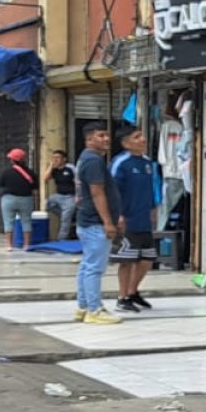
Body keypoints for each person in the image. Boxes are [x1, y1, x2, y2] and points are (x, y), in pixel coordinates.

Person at [72, 125, 123, 325]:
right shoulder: (93, 161)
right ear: (89, 139)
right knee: (94, 267)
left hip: (87, 220)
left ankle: (83, 306)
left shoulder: (86, 158)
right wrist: (108, 222)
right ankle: (94, 309)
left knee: (87, 265)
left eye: (107, 135)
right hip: (95, 222)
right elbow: (97, 192)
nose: (106, 139)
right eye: (101, 136)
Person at [110, 127, 160, 312]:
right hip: (127, 219)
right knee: (127, 260)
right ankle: (122, 297)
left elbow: (151, 188)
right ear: (126, 143)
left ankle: (133, 292)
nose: (143, 139)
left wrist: (153, 208)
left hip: (144, 218)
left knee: (147, 258)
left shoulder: (147, 163)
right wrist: (118, 215)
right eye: (137, 137)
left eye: (142, 135)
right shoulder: (120, 163)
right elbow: (112, 191)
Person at [0, 147, 37, 249]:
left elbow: (1, 184)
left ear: (12, 160)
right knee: (26, 221)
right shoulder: (30, 172)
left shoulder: (6, 172)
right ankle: (27, 244)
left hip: (9, 199)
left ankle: (9, 245)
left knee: (8, 221)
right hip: (26, 199)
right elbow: (35, 187)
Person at [46, 149, 77, 239]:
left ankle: (61, 240)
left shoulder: (70, 168)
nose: (55, 159)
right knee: (48, 204)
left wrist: (78, 195)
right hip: (58, 195)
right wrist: (51, 166)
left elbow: (78, 181)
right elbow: (45, 179)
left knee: (65, 220)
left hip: (70, 197)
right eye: (54, 158)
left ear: (64, 159)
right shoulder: (54, 170)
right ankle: (70, 218)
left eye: (58, 158)